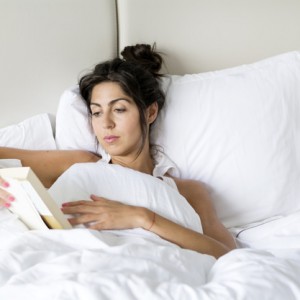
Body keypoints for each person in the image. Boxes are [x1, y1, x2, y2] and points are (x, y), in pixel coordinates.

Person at [0, 44, 236, 258]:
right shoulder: (81, 164)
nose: (106, 124)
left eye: (119, 109)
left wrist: (143, 218)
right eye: (96, 112)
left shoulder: (188, 191)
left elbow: (227, 255)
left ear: (150, 112)